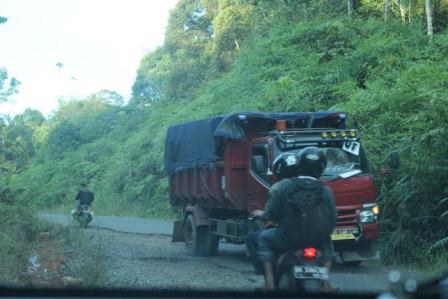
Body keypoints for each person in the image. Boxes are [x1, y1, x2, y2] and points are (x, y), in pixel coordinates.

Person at [255, 147, 338, 292]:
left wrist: (262, 215)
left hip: (287, 238)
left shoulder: (285, 186)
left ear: (299, 164)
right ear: (322, 167)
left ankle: (269, 282)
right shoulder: (326, 190)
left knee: (263, 239)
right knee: (328, 246)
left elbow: (272, 213)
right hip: (318, 240)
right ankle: (326, 284)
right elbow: (333, 219)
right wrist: (324, 234)